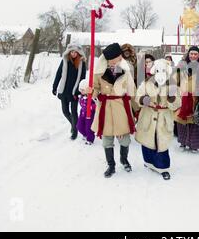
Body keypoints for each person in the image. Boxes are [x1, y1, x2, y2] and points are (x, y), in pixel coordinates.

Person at [91, 43, 139, 178]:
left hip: (121, 108)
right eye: (117, 57)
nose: (120, 58)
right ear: (110, 58)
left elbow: (132, 90)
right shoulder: (99, 72)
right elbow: (95, 88)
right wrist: (91, 92)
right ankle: (111, 165)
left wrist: (137, 109)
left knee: (124, 139)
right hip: (105, 108)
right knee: (107, 139)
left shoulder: (125, 70)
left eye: (120, 56)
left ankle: (124, 159)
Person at [135, 59, 180, 180]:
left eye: (163, 70)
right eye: (158, 70)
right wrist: (142, 99)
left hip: (164, 117)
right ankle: (149, 162)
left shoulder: (172, 84)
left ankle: (163, 167)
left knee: (161, 142)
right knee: (148, 139)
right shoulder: (146, 83)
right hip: (148, 115)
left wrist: (172, 100)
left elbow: (177, 103)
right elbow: (137, 96)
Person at [173, 46, 199, 153]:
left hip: (196, 97)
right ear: (188, 54)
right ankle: (183, 142)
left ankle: (194, 144)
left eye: (195, 54)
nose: (193, 56)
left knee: (195, 121)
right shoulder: (181, 66)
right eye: (191, 53)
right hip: (182, 97)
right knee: (182, 120)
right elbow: (174, 80)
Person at [52, 43, 87, 140]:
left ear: (78, 53)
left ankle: (75, 132)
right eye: (72, 52)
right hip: (64, 90)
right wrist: (54, 87)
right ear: (68, 52)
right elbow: (58, 74)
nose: (73, 54)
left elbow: (82, 78)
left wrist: (79, 91)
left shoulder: (81, 63)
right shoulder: (64, 61)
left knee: (74, 112)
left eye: (75, 52)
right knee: (65, 111)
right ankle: (74, 125)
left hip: (75, 91)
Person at [76, 79, 96, 145]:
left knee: (89, 127)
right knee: (79, 126)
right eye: (80, 89)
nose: (81, 91)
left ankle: (90, 139)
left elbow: (96, 105)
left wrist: (90, 107)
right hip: (83, 113)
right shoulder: (81, 96)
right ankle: (85, 134)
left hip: (90, 114)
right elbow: (81, 103)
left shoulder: (91, 97)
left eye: (83, 90)